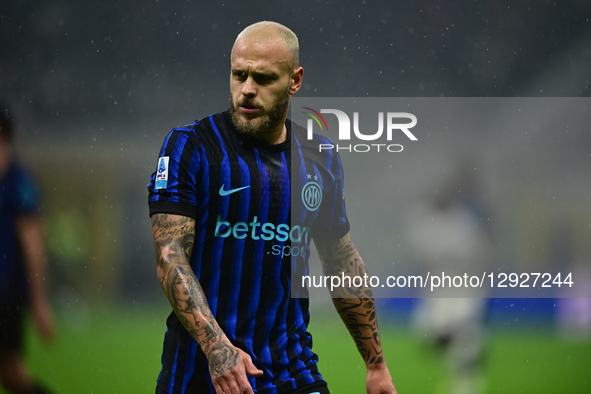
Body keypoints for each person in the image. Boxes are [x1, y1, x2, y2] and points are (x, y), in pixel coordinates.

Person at [147, 21, 398, 394]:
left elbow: (341, 260)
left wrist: (376, 365)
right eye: (239, 75)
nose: (247, 90)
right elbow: (170, 257)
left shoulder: (319, 158)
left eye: (263, 78)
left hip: (291, 370)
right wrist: (218, 348)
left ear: (295, 81)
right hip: (200, 375)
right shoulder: (191, 147)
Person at [0, 103, 55, 394]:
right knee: (11, 374)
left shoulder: (17, 181)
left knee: (12, 373)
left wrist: (38, 300)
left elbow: (32, 243)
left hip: (4, 293)